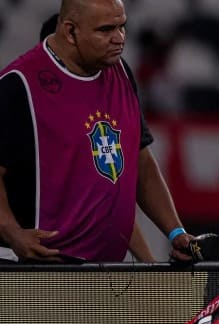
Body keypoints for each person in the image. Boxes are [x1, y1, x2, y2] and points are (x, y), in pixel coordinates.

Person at [0, 0, 196, 263]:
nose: (119, 39)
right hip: (38, 273)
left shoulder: (122, 72)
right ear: (70, 32)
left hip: (106, 273)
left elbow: (142, 163)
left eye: (122, 26)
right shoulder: (18, 85)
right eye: (105, 30)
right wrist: (12, 232)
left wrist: (175, 232)